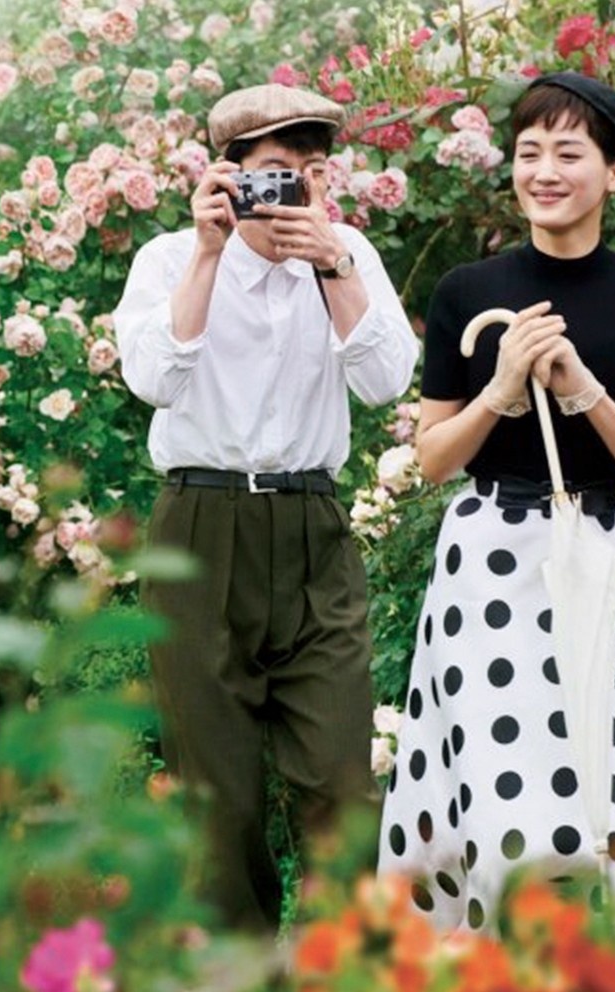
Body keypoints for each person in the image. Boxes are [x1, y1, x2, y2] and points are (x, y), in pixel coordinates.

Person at [376, 72, 615, 930]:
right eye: (528, 153)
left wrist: (586, 390)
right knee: (500, 795)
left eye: (569, 152)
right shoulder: (466, 293)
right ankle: (488, 967)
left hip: (614, 552)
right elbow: (434, 458)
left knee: (614, 785)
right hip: (490, 561)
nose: (544, 171)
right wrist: (503, 389)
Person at [113, 83, 419, 933]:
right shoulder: (171, 260)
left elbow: (387, 380)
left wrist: (334, 265)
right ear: (229, 177)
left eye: (312, 173)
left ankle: (341, 973)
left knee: (337, 781)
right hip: (201, 526)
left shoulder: (345, 252)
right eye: (276, 173)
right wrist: (210, 256)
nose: (295, 194)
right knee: (220, 797)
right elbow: (154, 380)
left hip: (313, 528)